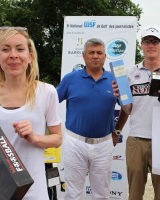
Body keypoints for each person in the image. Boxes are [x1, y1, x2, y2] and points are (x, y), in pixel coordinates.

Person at [0, 26, 62, 199]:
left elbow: (57, 138)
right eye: (5, 49)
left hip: (34, 193)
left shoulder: (47, 92)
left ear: (30, 56)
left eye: (20, 49)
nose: (13, 55)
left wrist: (35, 137)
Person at [113, 25, 160, 200]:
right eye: (147, 41)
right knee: (135, 194)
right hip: (137, 137)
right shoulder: (130, 72)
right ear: (141, 45)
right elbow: (128, 109)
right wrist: (120, 98)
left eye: (155, 41)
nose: (151, 45)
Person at [57, 38, 119, 199]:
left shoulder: (115, 80)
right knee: (73, 193)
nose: (95, 56)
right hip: (75, 142)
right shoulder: (70, 79)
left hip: (103, 144)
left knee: (101, 194)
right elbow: (51, 101)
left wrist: (117, 130)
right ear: (84, 56)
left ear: (105, 56)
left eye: (99, 53)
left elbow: (128, 108)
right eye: (91, 53)